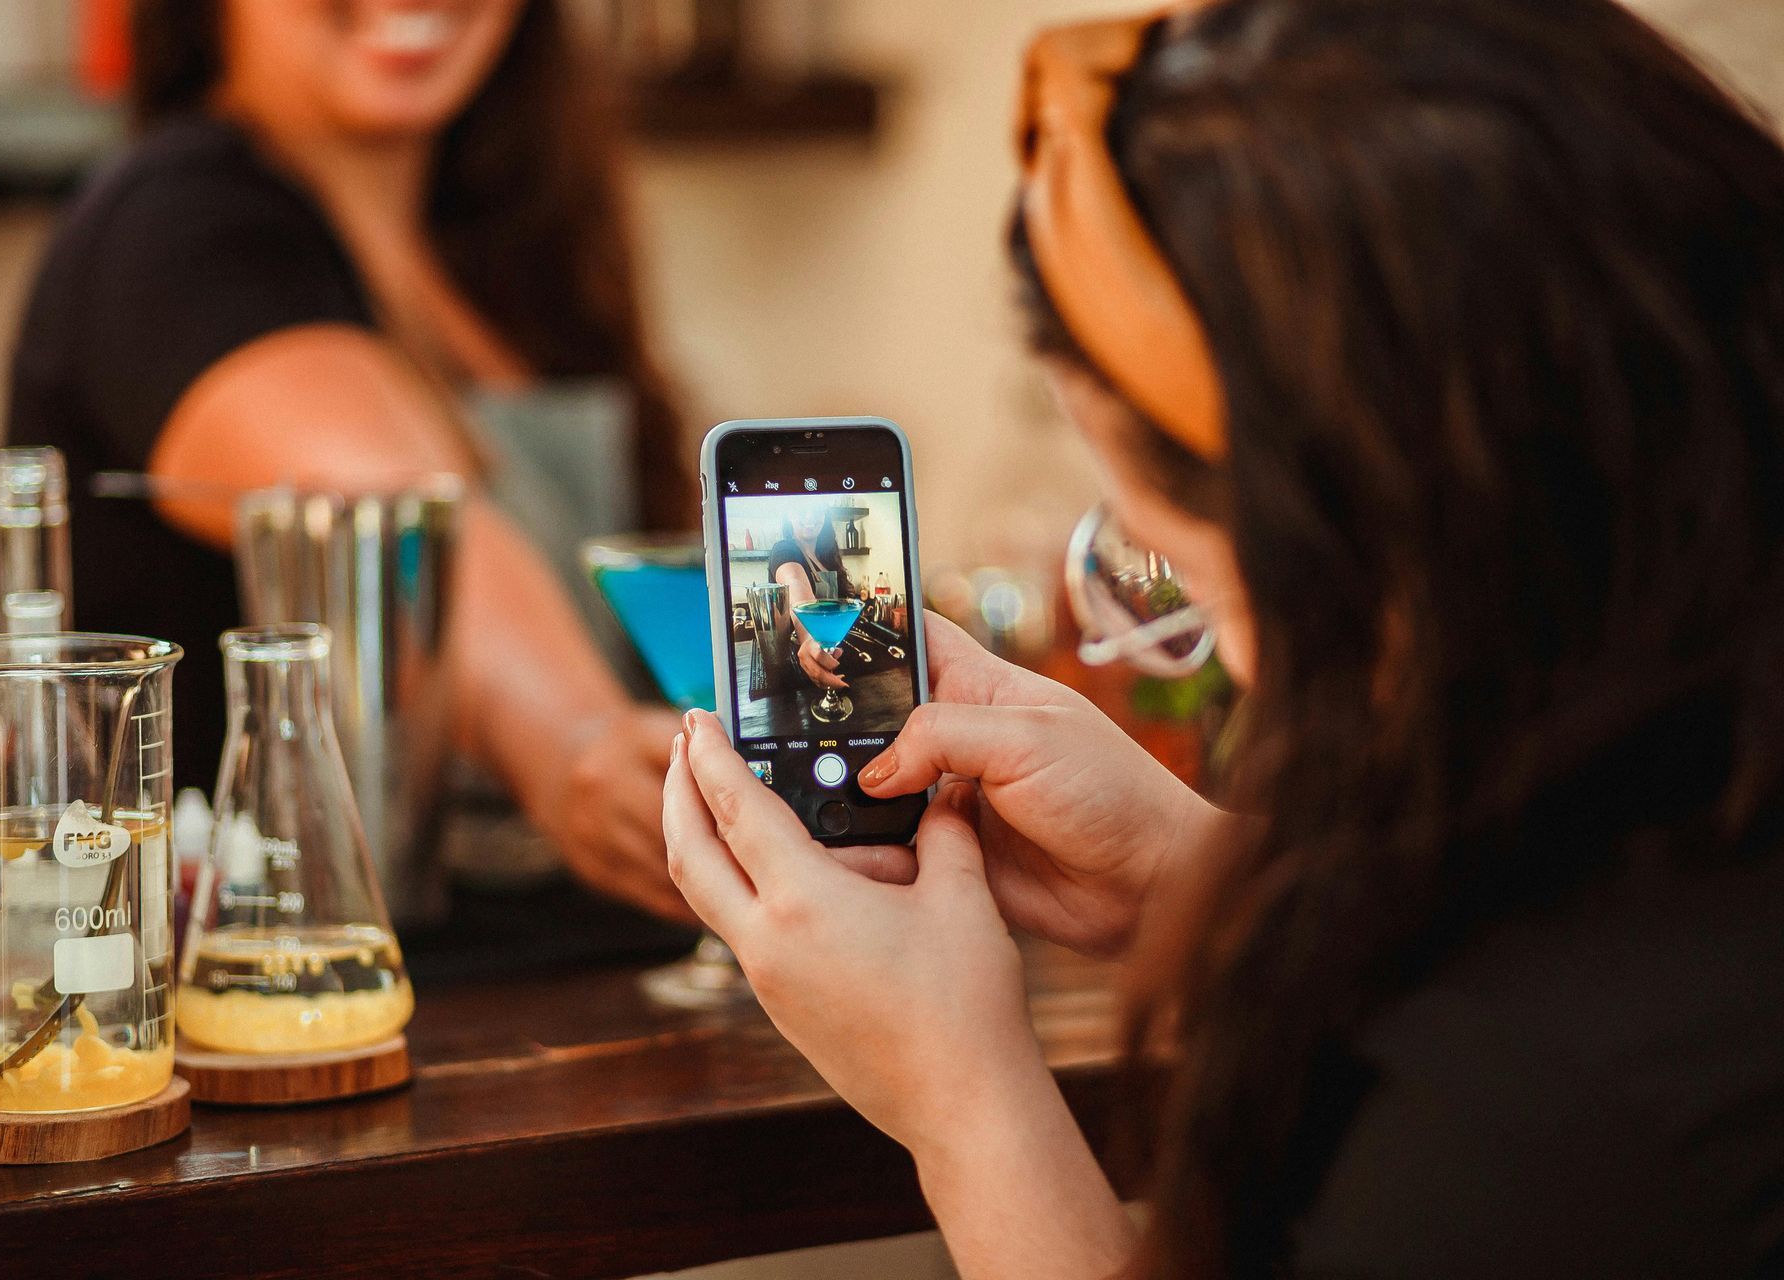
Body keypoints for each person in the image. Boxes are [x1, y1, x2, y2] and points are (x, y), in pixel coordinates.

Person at [662, 0, 1784, 1275]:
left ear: (1388, 561)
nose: (1224, 662)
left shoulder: (1539, 1120)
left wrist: (964, 1103)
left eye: (1186, 581)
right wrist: (1200, 878)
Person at [4, 0, 691, 921]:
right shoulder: (176, 226)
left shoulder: (518, 248)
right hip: (281, 985)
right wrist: (579, 745)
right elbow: (396, 519)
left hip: (548, 967)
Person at [768, 505, 851, 692]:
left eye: (817, 508)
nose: (809, 515)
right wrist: (810, 640)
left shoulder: (828, 558)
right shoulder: (784, 550)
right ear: (788, 514)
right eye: (801, 508)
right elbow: (795, 582)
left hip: (836, 653)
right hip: (803, 666)